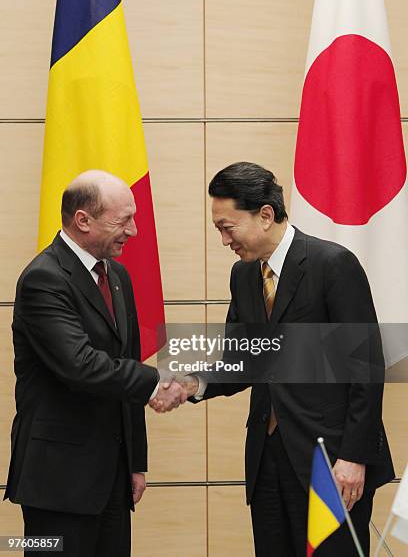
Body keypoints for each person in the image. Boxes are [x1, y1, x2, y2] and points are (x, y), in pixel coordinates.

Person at [155, 162, 394, 556]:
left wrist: (353, 456)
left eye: (227, 227)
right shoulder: (243, 276)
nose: (223, 239)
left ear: (265, 215)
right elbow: (244, 359)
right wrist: (191, 384)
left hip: (330, 460)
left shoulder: (332, 265)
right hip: (267, 459)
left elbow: (366, 368)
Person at [5, 170, 186, 557]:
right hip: (59, 481)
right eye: (123, 220)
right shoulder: (44, 279)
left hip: (113, 479)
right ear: (83, 219)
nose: (134, 231)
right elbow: (81, 365)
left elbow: (126, 364)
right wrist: (158, 382)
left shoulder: (117, 275)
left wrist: (136, 462)